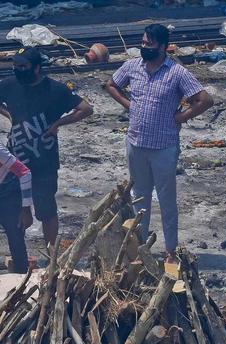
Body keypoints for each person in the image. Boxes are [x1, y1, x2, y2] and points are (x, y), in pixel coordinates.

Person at [104, 24, 213, 269]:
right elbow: (111, 85)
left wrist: (181, 117)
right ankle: (140, 248)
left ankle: (170, 250)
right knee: (139, 197)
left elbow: (204, 100)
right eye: (143, 43)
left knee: (166, 199)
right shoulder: (133, 66)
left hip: (164, 146)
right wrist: (128, 104)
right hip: (136, 142)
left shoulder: (176, 73)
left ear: (163, 47)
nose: (145, 48)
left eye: (150, 44)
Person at [0, 46, 92, 251]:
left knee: (46, 211)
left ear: (37, 68)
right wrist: (8, 115)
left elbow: (86, 109)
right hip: (16, 159)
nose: (18, 70)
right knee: (15, 208)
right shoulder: (9, 85)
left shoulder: (55, 90)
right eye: (15, 66)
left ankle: (52, 257)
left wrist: (59, 123)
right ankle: (20, 256)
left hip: (44, 162)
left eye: (23, 66)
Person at [0, 145, 33, 273]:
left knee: (15, 237)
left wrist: (26, 209)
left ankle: (21, 278)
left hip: (9, 193)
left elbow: (24, 173)